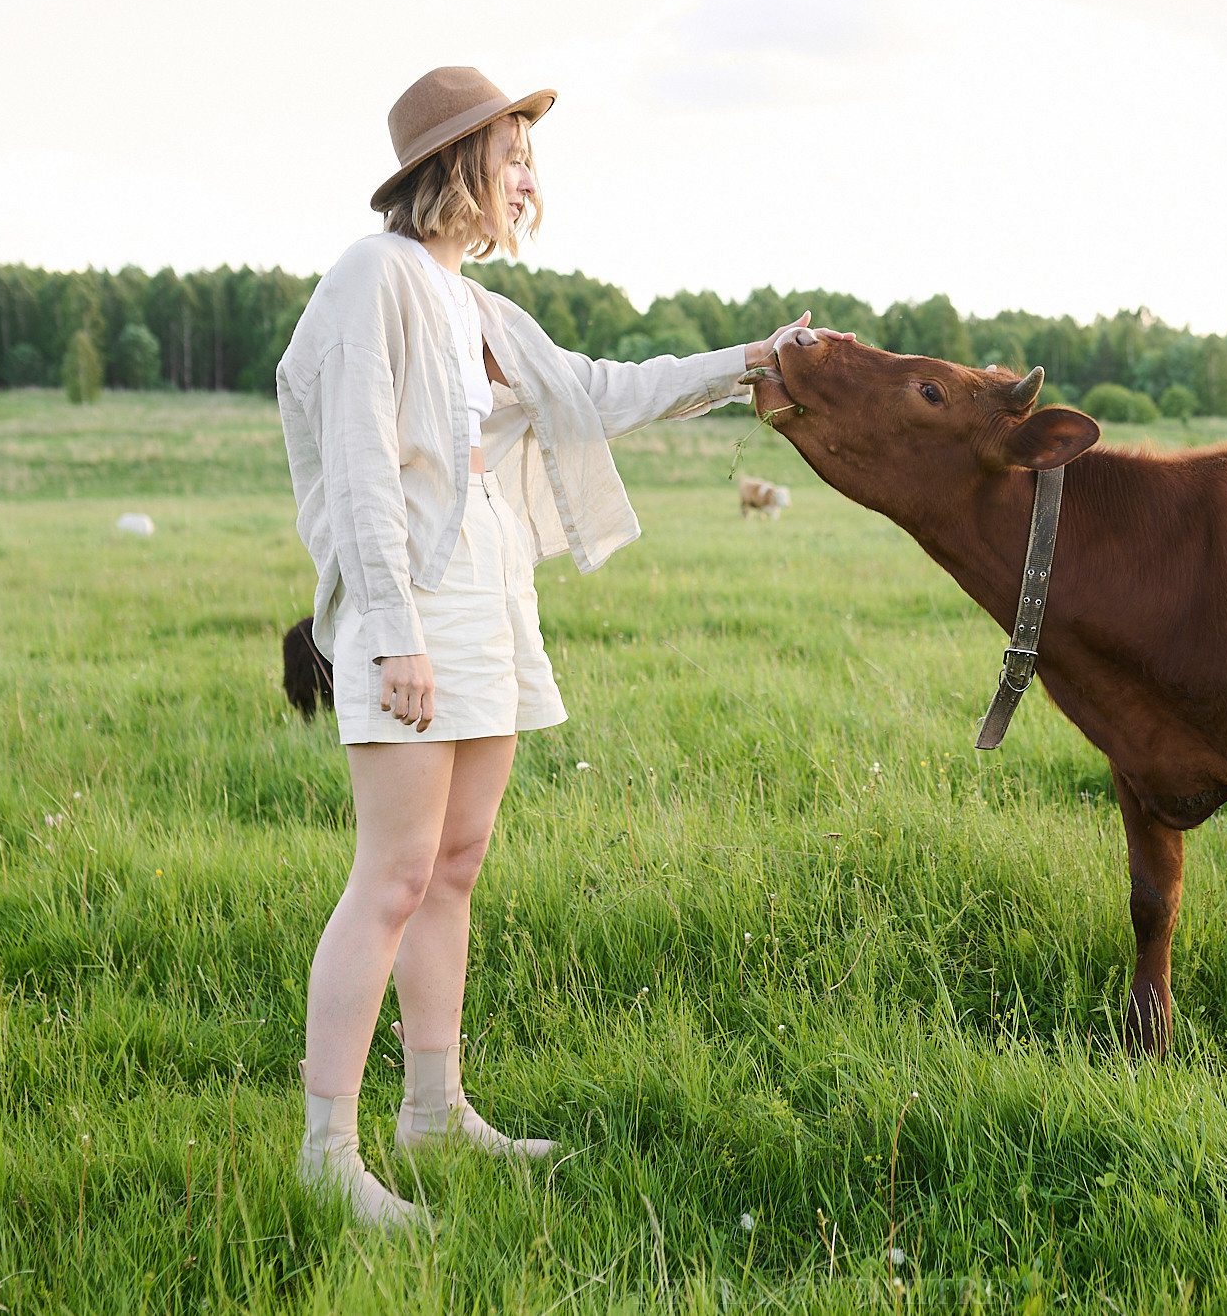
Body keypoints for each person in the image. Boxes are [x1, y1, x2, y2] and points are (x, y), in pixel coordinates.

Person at [275, 65, 848, 1226]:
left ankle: (433, 1106)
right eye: (512, 152)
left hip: (492, 594)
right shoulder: (371, 278)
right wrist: (387, 633)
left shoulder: (471, 304)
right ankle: (326, 1151)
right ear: (456, 164)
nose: (527, 174)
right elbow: (358, 464)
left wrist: (750, 360)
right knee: (389, 875)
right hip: (415, 608)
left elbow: (596, 390)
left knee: (454, 865)